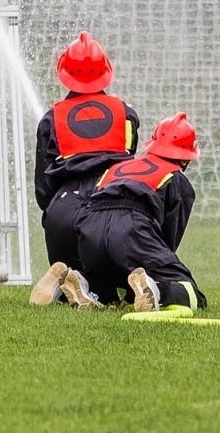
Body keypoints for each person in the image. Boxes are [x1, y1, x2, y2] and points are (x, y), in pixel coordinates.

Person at [28, 31, 141, 305]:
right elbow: (130, 164)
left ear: (63, 72)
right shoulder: (125, 114)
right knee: (125, 267)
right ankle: (119, 286)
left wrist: (55, 213)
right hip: (113, 207)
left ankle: (71, 278)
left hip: (64, 211)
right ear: (106, 71)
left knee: (76, 271)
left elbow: (43, 189)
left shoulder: (50, 119)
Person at [56, 112, 206, 313]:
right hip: (130, 227)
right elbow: (167, 241)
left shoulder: (117, 167)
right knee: (189, 291)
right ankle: (157, 290)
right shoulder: (176, 178)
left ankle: (82, 283)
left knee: (108, 284)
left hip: (90, 228)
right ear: (186, 157)